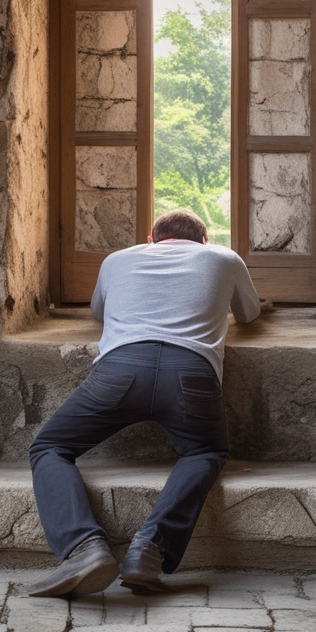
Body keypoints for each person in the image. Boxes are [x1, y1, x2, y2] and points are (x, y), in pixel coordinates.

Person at [27, 207, 261, 598]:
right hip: (191, 375)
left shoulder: (118, 259)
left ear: (151, 239)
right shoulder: (223, 257)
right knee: (204, 451)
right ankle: (148, 551)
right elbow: (250, 314)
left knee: (49, 447)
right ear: (204, 241)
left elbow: (99, 311)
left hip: (120, 372)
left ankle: (83, 548)